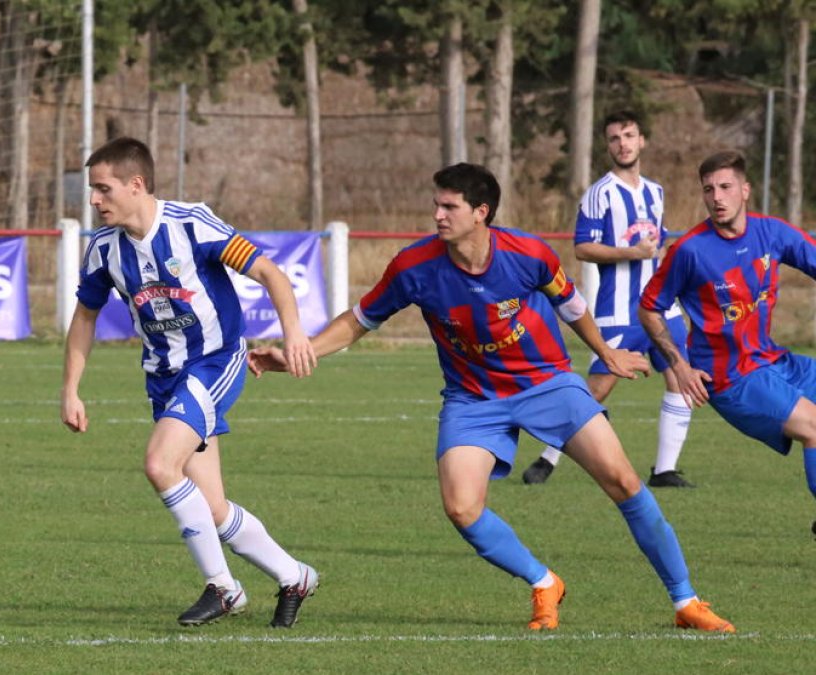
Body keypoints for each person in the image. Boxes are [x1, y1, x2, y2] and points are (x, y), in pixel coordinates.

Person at [250, 163, 733, 633]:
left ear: (481, 212)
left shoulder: (528, 253)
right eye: (436, 205)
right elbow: (358, 321)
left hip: (546, 383)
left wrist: (607, 353)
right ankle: (544, 582)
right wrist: (302, 351)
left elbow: (573, 306)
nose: (437, 215)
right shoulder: (414, 266)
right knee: (461, 507)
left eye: (449, 206)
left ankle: (685, 600)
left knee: (624, 481)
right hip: (472, 399)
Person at [61, 137, 320, 628]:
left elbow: (269, 272)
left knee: (160, 464)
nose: (94, 200)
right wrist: (70, 389)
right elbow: (85, 316)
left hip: (215, 361)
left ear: (136, 185)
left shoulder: (192, 223)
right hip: (163, 378)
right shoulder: (102, 249)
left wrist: (294, 334)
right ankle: (295, 575)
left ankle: (223, 589)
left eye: (102, 188)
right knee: (214, 509)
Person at [641, 150, 816, 533]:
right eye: (709, 189)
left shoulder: (771, 232)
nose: (717, 197)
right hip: (730, 378)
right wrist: (680, 366)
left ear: (745, 190)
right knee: (814, 427)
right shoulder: (689, 250)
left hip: (771, 359)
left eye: (725, 187)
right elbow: (650, 308)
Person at [522, 110, 694, 487]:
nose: (623, 144)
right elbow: (583, 248)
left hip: (662, 309)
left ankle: (665, 470)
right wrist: (633, 253)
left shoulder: (655, 191)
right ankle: (548, 457)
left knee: (682, 379)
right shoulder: (599, 194)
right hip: (619, 311)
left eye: (629, 135)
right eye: (615, 138)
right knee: (597, 389)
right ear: (608, 145)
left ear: (642, 140)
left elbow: (656, 243)